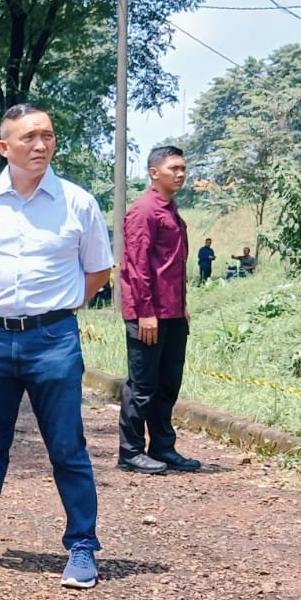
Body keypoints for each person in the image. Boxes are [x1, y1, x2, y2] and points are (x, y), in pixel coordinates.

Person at [0, 102, 113, 589]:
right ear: (4, 146)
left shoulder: (78, 203)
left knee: (67, 447)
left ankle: (82, 545)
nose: (40, 145)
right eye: (29, 137)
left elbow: (98, 268)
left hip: (54, 340)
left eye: (48, 136)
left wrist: (65, 307)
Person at [117, 145, 201, 475]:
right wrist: (145, 312)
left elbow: (170, 266)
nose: (180, 174)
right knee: (142, 386)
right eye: (174, 168)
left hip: (172, 312)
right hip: (148, 313)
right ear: (155, 173)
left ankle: (163, 447)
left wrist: (181, 308)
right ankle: (130, 451)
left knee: (168, 383)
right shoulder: (144, 212)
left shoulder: (170, 208)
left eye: (183, 168)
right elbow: (137, 267)